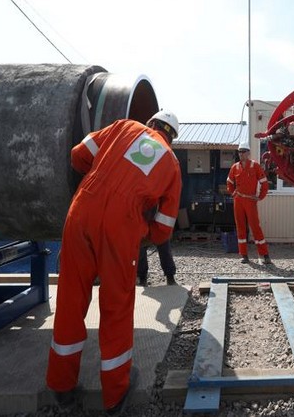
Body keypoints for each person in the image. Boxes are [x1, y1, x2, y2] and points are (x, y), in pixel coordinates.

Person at [46, 110, 181, 415]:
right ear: (172, 136)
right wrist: (140, 230)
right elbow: (164, 226)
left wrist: (100, 176)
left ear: (151, 123)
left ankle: (62, 386)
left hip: (81, 209)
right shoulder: (171, 162)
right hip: (122, 223)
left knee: (70, 297)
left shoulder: (123, 127)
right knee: (116, 305)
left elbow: (78, 155)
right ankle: (115, 395)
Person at [226, 141, 272, 265]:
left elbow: (264, 182)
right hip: (238, 201)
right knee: (240, 227)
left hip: (250, 201)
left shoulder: (255, 166)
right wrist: (233, 193)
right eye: (239, 152)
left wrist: (260, 196)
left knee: (255, 227)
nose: (241, 154)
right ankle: (244, 255)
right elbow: (229, 182)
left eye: (243, 152)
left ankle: (265, 255)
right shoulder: (234, 167)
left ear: (248, 153)